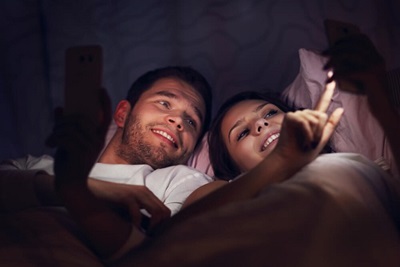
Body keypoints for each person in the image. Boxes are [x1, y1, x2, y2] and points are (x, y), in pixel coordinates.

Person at [111, 34, 400, 266]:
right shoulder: (229, 192)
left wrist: (377, 94)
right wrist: (281, 163)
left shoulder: (366, 167)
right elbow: (168, 241)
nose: (261, 124)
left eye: (271, 113)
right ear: (235, 169)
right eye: (244, 133)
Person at [0, 66, 214, 259]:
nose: (177, 121)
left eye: (191, 122)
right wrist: (87, 188)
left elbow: (163, 257)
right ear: (122, 114)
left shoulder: (181, 181)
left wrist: (77, 192)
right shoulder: (35, 167)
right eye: (164, 103)